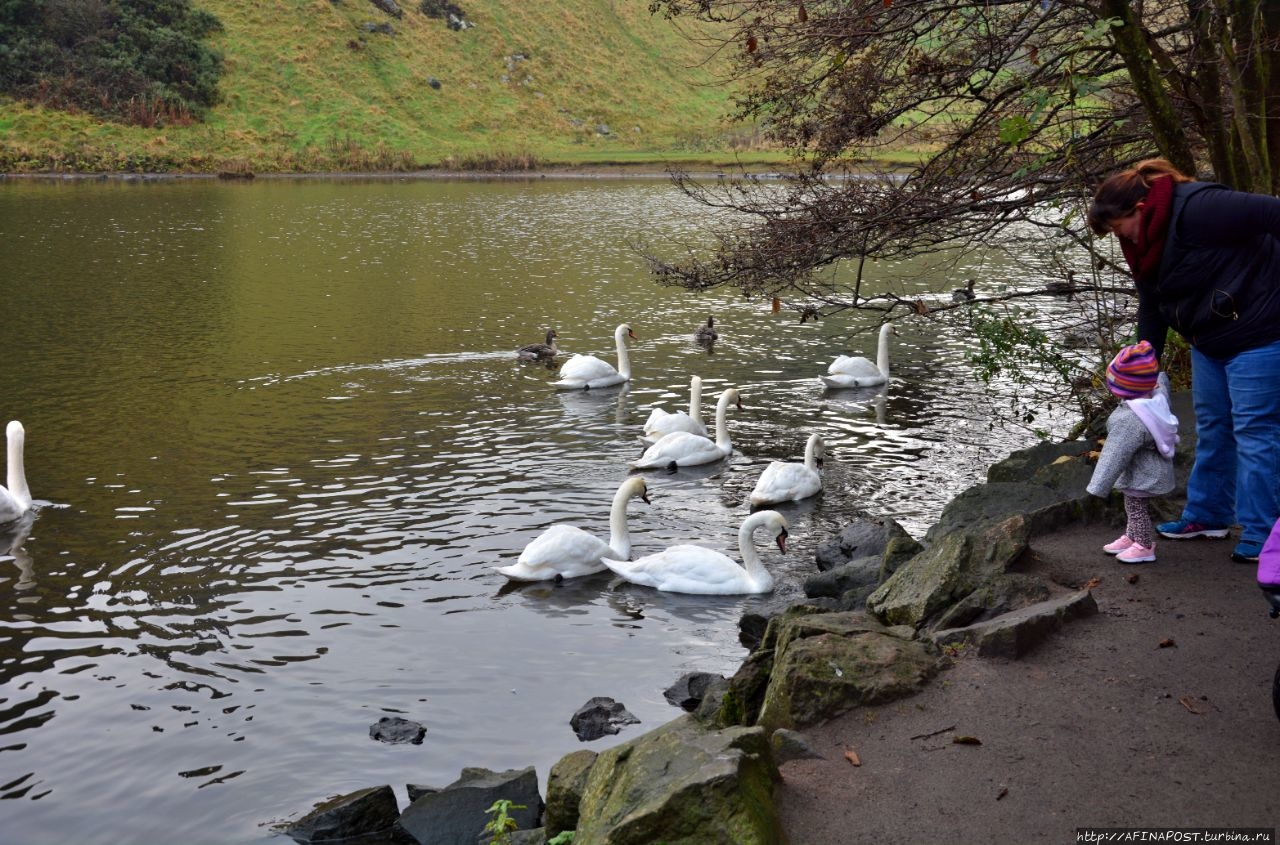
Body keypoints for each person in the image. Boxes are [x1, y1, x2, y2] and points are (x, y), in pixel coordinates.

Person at [1088, 159, 1280, 564]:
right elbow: (1152, 301)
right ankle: (1209, 516)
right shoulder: (1141, 242)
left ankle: (1264, 536)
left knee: (1255, 432)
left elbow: (1273, 214)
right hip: (1208, 339)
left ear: (1138, 210)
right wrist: (1146, 362)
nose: (1115, 237)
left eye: (1115, 227)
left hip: (1261, 332)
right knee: (1214, 427)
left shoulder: (1201, 207)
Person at [1087, 342, 1179, 564]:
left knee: (1135, 508)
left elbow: (1114, 454)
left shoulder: (1130, 420)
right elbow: (1161, 380)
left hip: (1142, 474)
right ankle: (1131, 537)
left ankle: (1144, 546)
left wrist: (1098, 485)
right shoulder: (1155, 396)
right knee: (1134, 505)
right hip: (1154, 468)